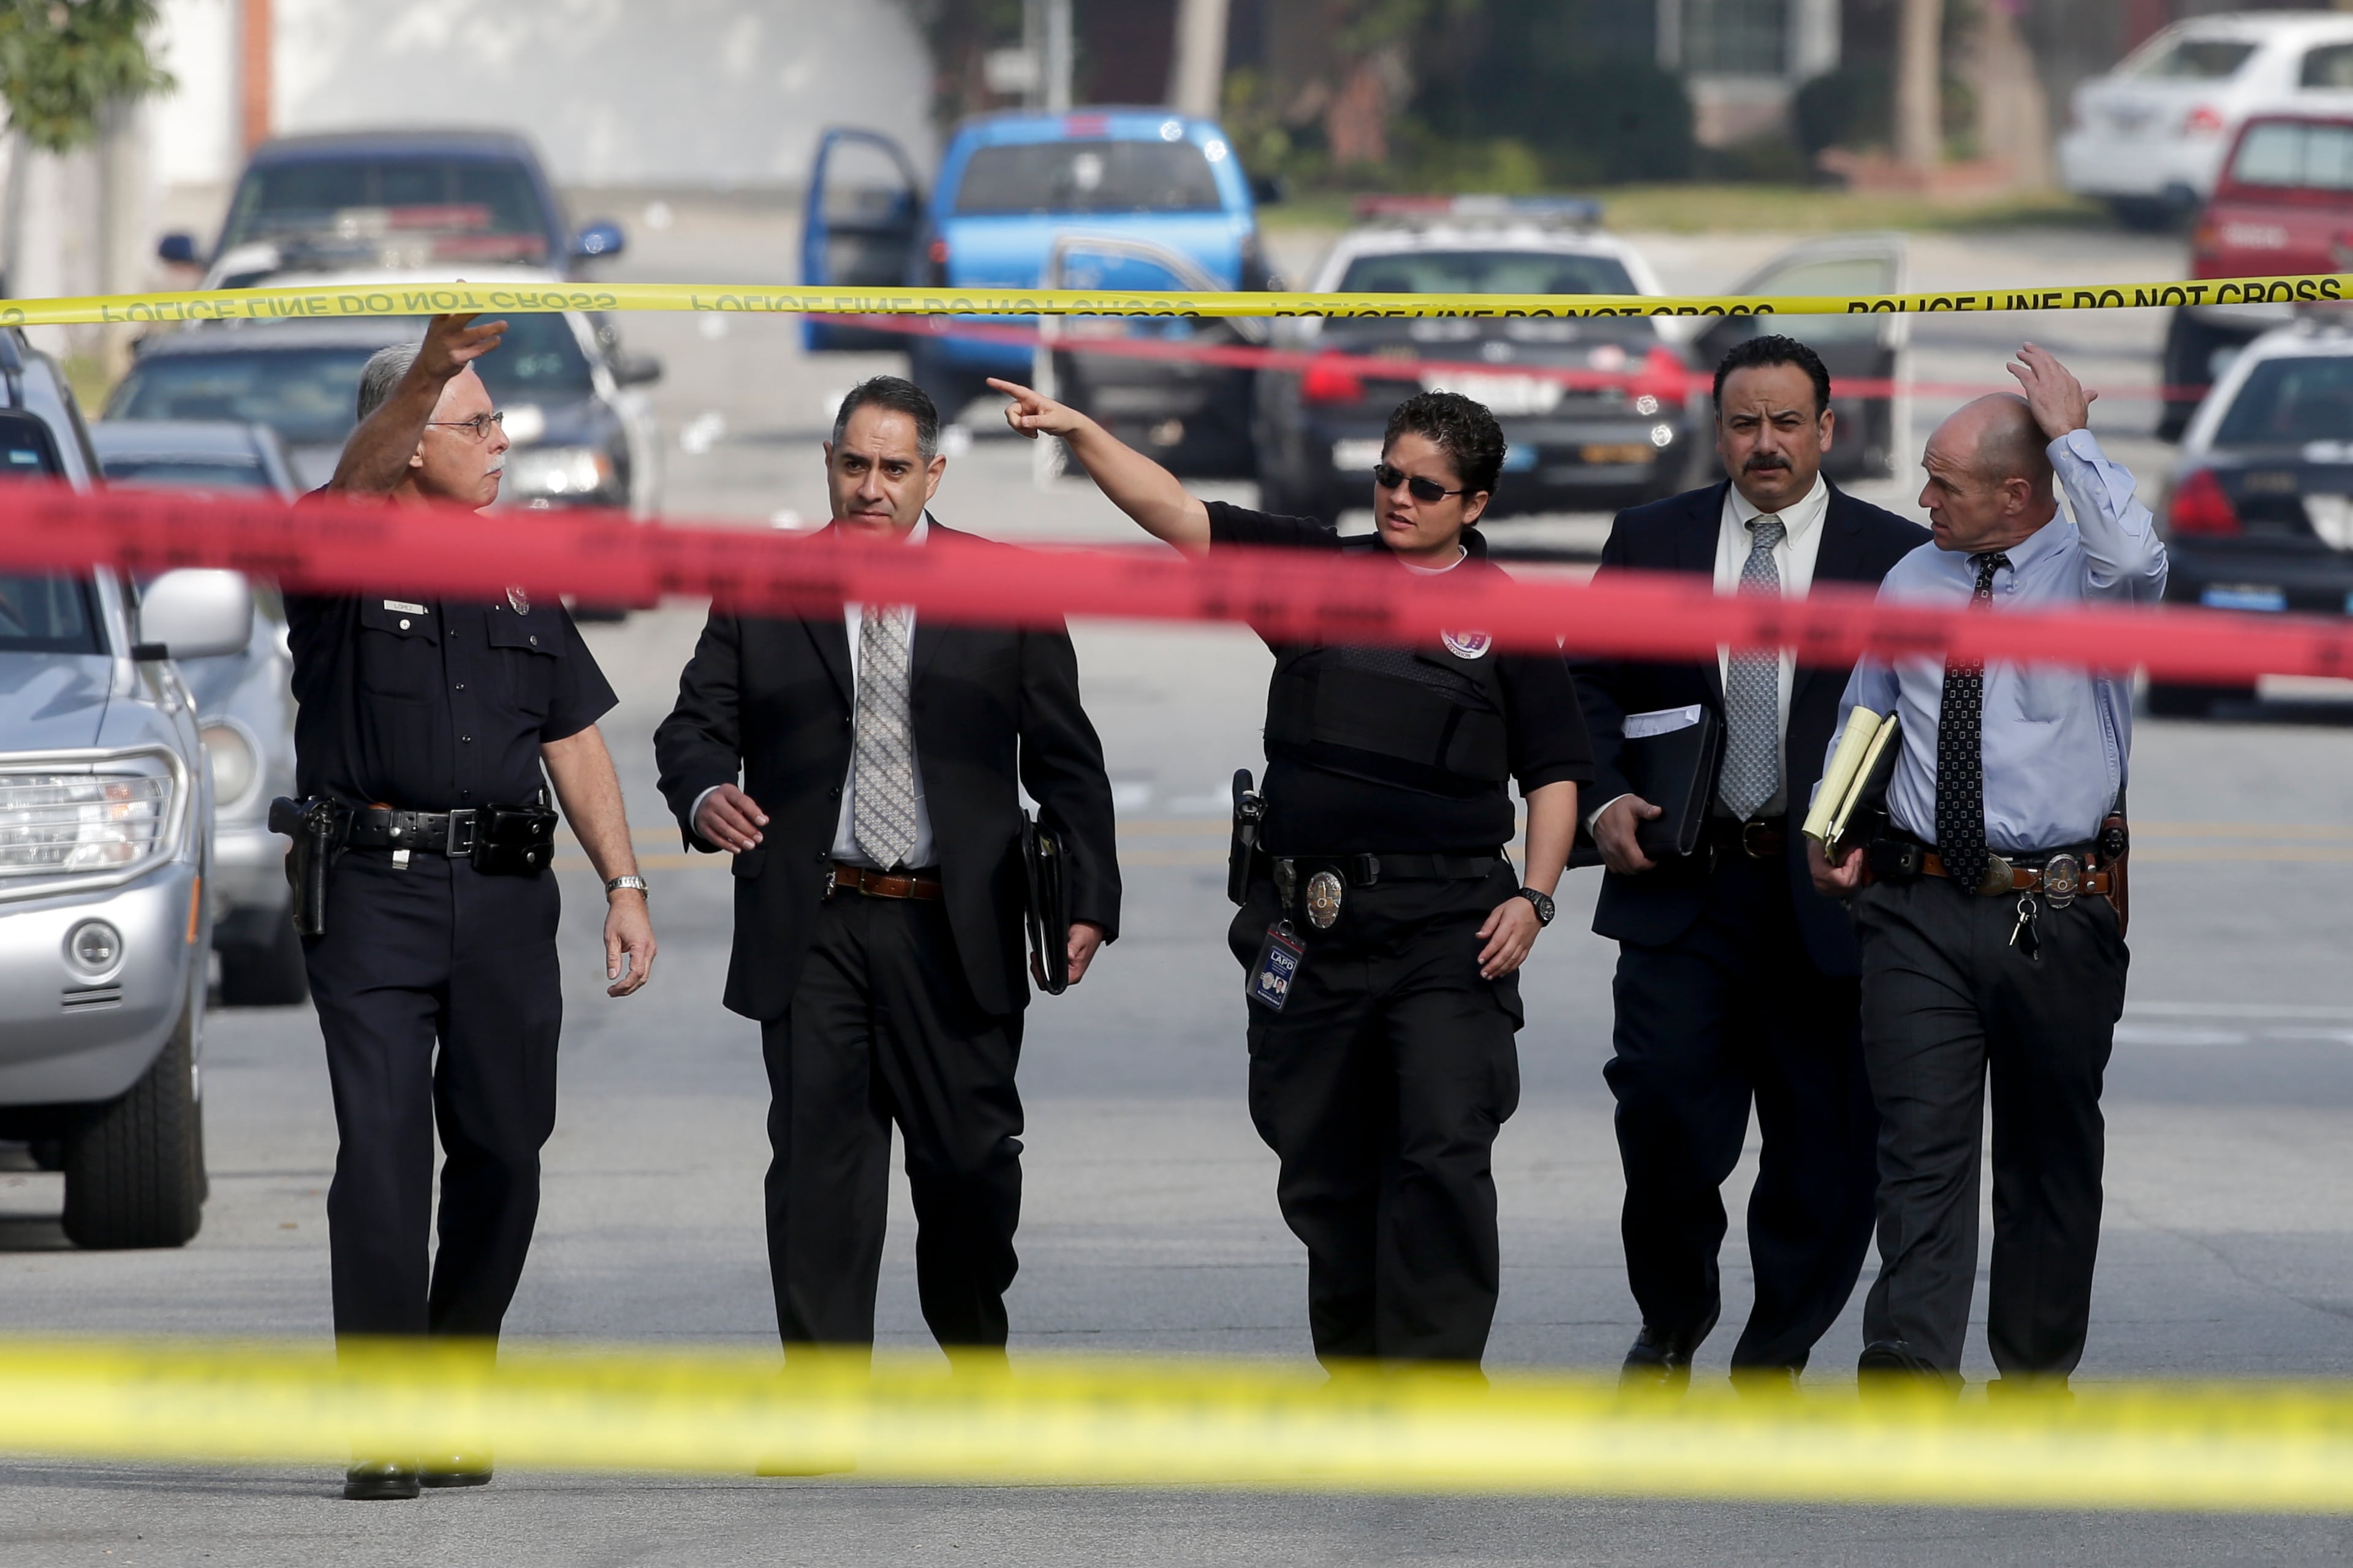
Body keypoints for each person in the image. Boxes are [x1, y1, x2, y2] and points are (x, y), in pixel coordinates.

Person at [990, 375, 1591, 1368]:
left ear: (1474, 506)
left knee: (1443, 1147)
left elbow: (1558, 773)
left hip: (1449, 929)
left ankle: (1437, 1381)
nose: (1398, 498)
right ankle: (1358, 1370)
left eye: (1425, 488)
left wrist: (1535, 898)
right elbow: (1177, 514)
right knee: (1322, 1159)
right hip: (1312, 924)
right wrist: (1084, 431)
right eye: (1388, 476)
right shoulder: (1317, 570)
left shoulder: (1508, 619)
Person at [653, 376, 1120, 1374]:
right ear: (829, 465)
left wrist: (1089, 901)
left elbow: (1069, 763)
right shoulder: (763, 588)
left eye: (894, 469)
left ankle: (975, 1360)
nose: (872, 488)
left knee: (971, 1167)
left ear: (933, 474)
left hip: (957, 930)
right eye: (854, 465)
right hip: (817, 922)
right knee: (822, 1171)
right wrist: (703, 794)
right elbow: (694, 727)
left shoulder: (1005, 588)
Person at [289, 312, 657, 1501]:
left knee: (504, 1148)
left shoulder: (517, 566)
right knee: (384, 1153)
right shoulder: (336, 551)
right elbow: (347, 484)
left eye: (498, 415)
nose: (504, 437)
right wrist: (428, 369)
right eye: (476, 418)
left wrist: (626, 882)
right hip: (371, 897)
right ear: (409, 445)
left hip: (504, 895)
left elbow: (573, 736)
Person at [1572, 335, 1926, 1392]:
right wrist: (1599, 799)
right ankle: (1671, 1321)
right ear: (1713, 427)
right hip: (1686, 890)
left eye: (1785, 423)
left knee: (1825, 1152)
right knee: (1666, 1122)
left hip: (1829, 901)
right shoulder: (1650, 539)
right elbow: (1583, 685)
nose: (1763, 444)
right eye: (1742, 423)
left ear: (1828, 429)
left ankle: (1775, 1353)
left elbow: (1930, 713)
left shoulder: (1894, 557)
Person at [1812, 344, 2164, 1390]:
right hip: (1918, 903)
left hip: (2055, 910)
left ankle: (2036, 1369)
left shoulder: (2094, 582)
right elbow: (1869, 710)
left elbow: (2139, 558)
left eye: (1945, 484)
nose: (1922, 499)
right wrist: (1830, 827)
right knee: (1919, 1146)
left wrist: (2074, 440)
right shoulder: (1914, 575)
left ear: (2019, 495)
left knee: (2049, 1157)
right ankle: (1910, 1362)